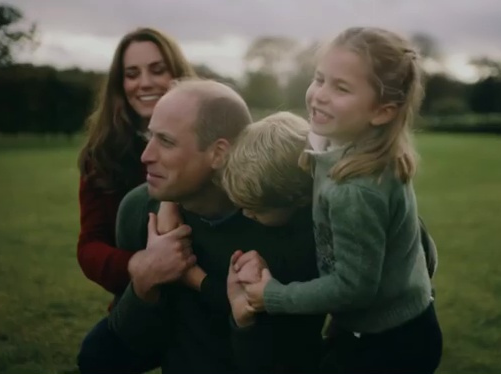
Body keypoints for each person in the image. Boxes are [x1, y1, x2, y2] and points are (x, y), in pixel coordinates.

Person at [231, 27, 443, 374]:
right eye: (319, 78)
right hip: (381, 326)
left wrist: (274, 296)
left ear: (382, 111)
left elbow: (353, 287)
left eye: (341, 87)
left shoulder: (356, 190)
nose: (319, 95)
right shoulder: (351, 145)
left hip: (390, 344)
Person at [108, 78, 325, 374]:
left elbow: (291, 353)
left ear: (219, 153)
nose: (146, 156)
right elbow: (133, 343)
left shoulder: (293, 216)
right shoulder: (139, 210)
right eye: (150, 137)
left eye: (166, 142)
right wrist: (145, 281)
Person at [75, 27, 196, 373]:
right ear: (120, 84)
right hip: (143, 296)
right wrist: (141, 265)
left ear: (178, 74)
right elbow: (90, 247)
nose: (144, 83)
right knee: (97, 356)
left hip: (207, 298)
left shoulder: (212, 136)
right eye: (132, 74)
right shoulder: (103, 155)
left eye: (158, 70)